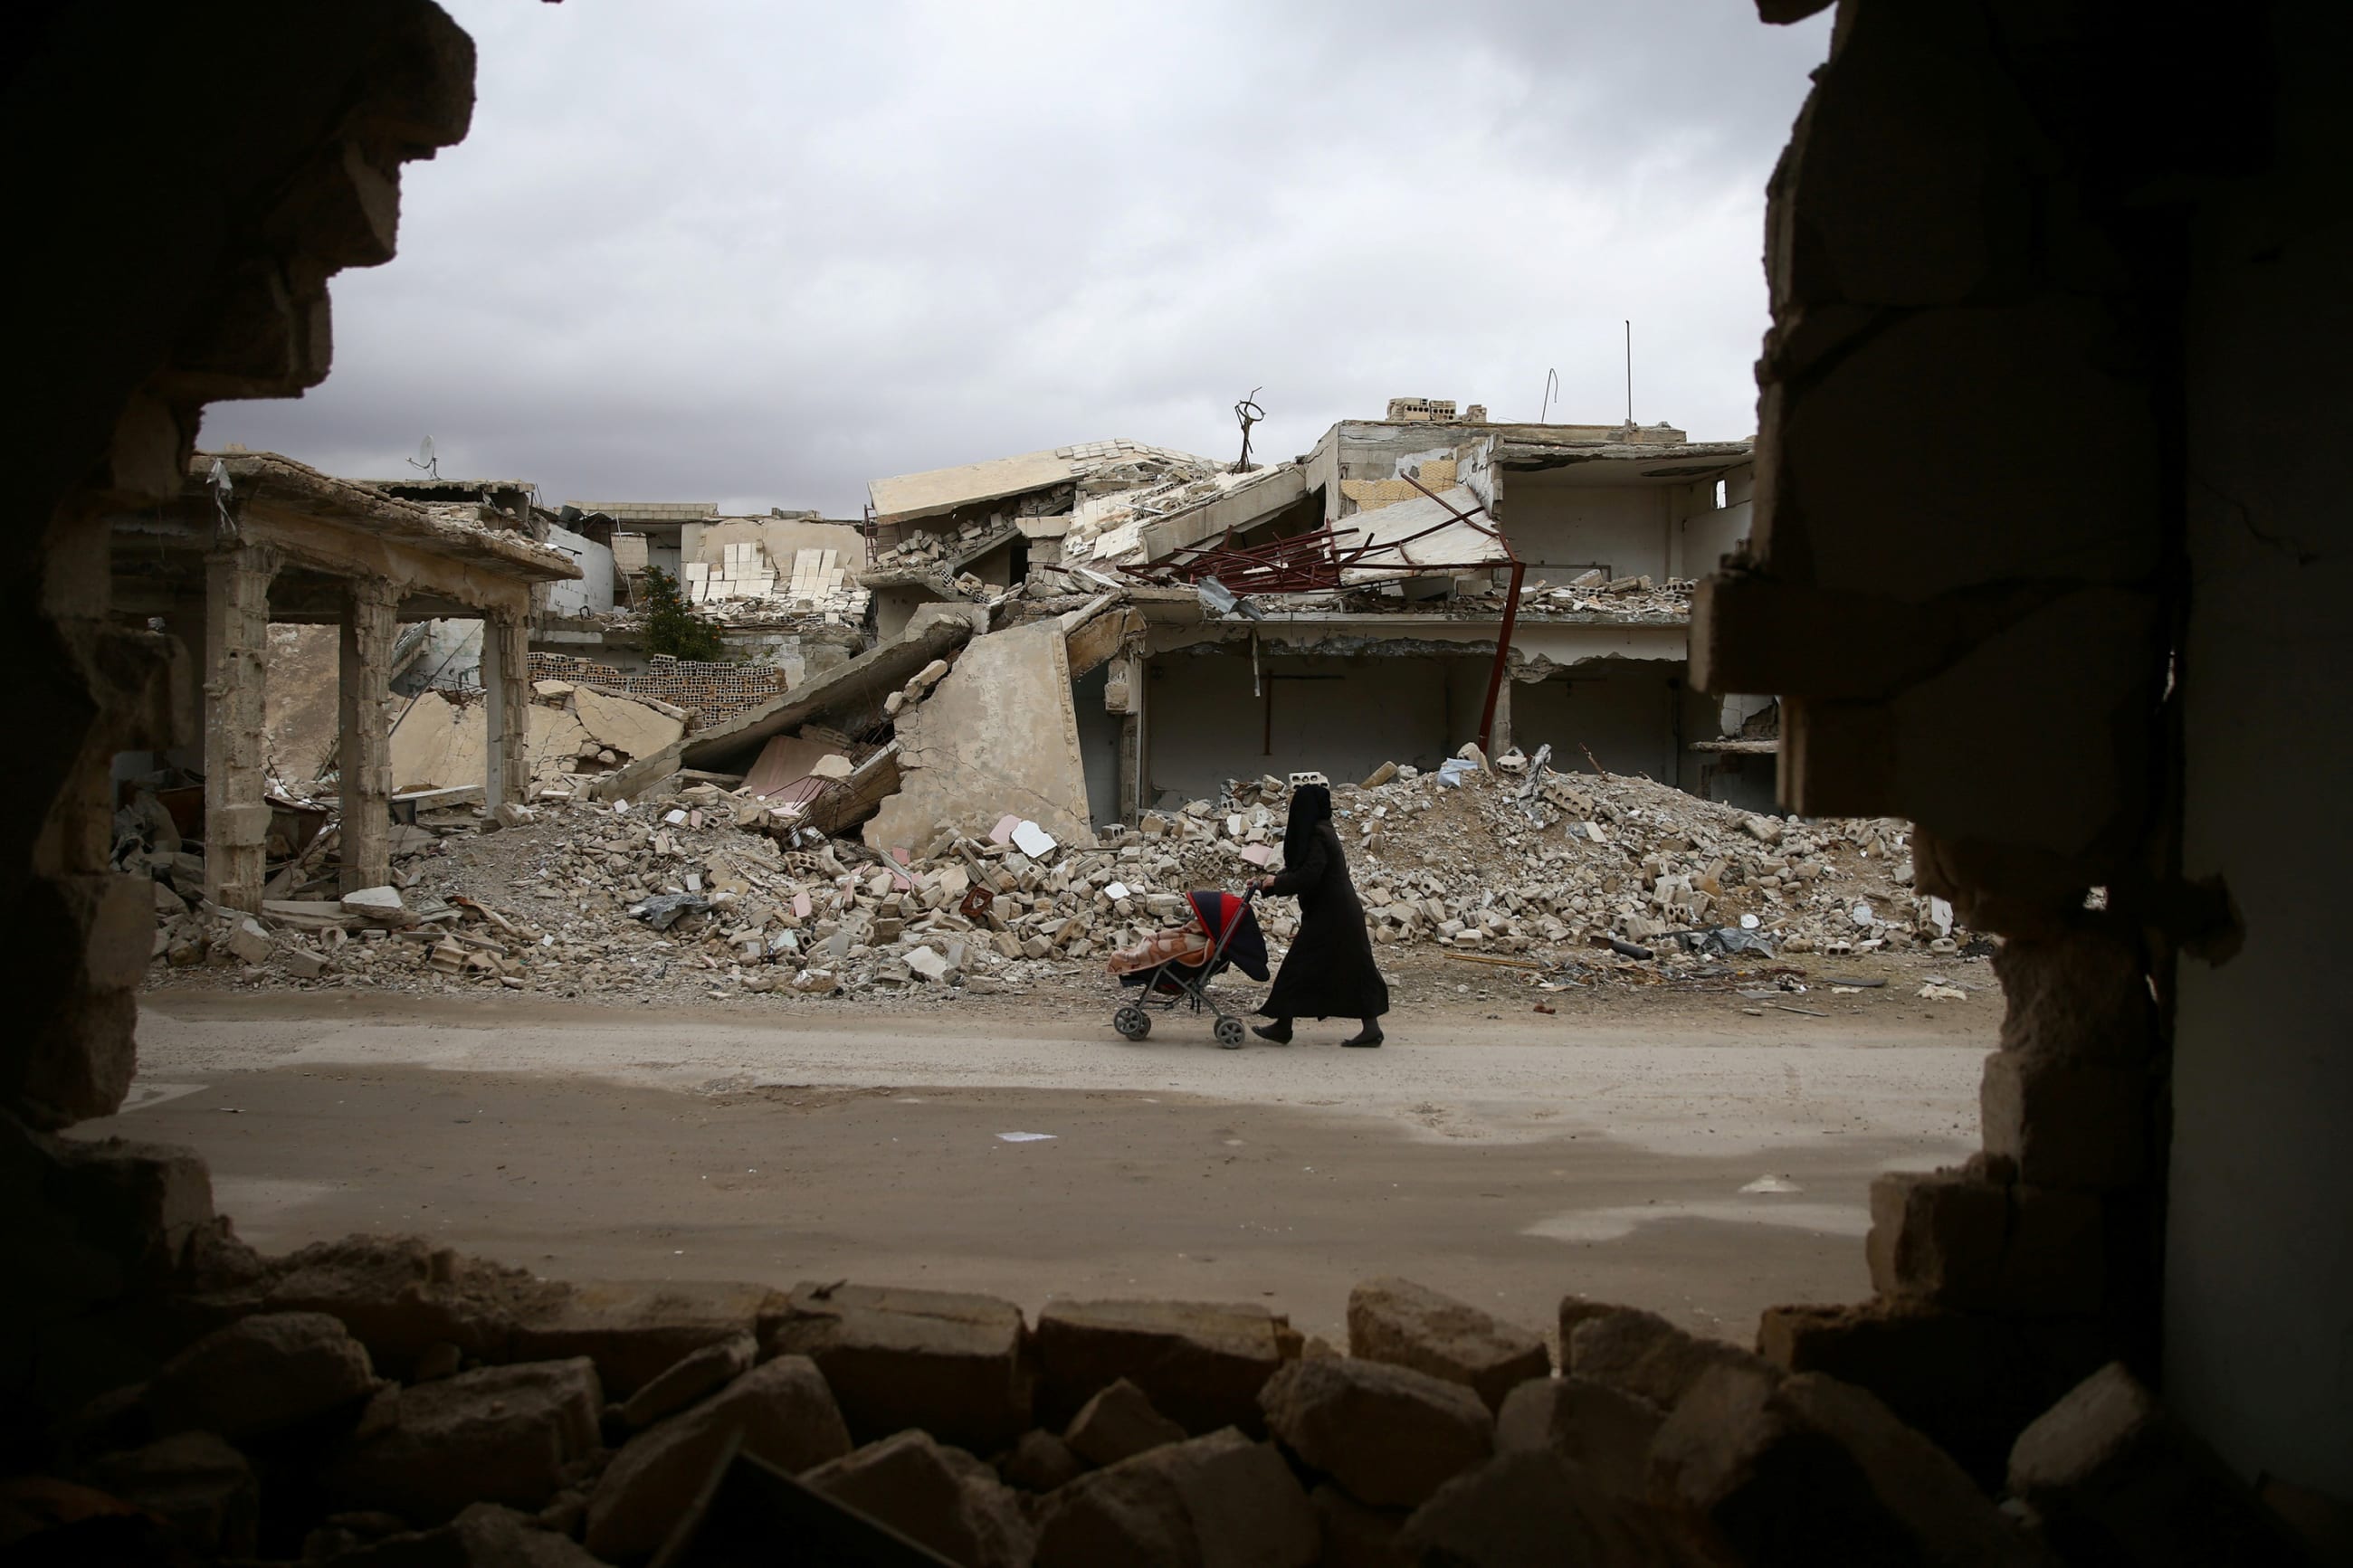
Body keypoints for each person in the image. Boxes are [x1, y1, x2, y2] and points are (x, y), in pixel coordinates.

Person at [1249, 782, 1390, 1047]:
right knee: (1354, 969)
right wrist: (1267, 884)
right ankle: (1369, 1027)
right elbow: (1305, 873)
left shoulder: (1317, 835)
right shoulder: (1322, 831)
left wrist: (1275, 883)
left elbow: (1308, 876)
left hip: (1333, 915)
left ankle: (1283, 1025)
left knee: (1298, 966)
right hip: (1335, 913)